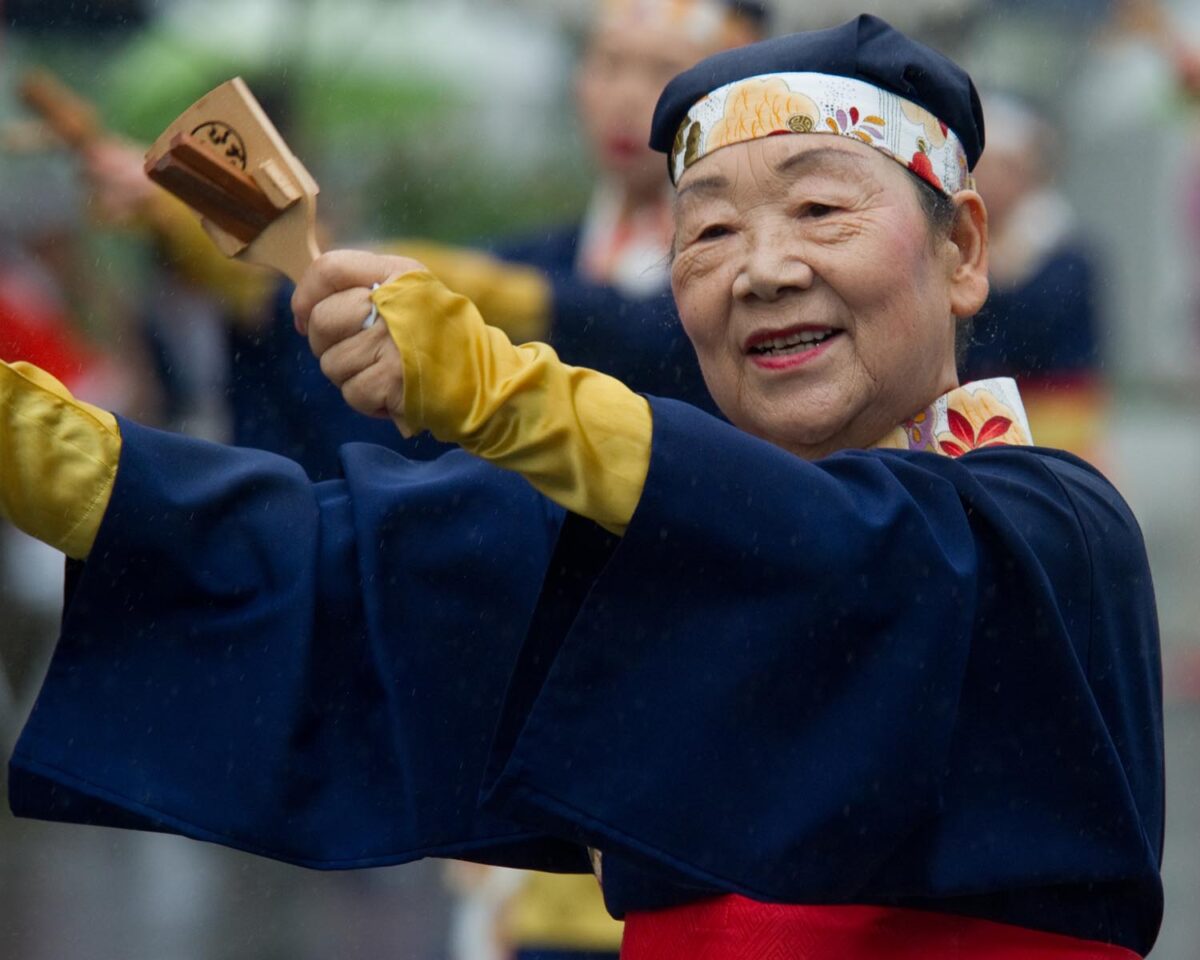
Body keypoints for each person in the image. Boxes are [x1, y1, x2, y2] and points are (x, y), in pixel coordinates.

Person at [0, 14, 1163, 958]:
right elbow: (322, 552)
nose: (763, 269)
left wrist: (495, 386)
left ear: (963, 250)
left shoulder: (1047, 532)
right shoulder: (665, 529)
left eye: (818, 210)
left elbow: (843, 550)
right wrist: (31, 439)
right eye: (707, 236)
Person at [80, 0, 771, 481]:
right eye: (609, 63)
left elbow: (645, 336)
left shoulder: (762, 273)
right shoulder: (539, 255)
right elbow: (381, 435)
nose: (629, 97)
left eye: (663, 70)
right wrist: (259, 279)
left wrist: (435, 287)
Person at [961, 93, 1105, 461]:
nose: (991, 180)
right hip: (976, 431)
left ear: (1030, 172)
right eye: (984, 167)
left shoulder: (1067, 254)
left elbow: (1049, 345)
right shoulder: (958, 248)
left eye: (1004, 167)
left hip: (1057, 435)